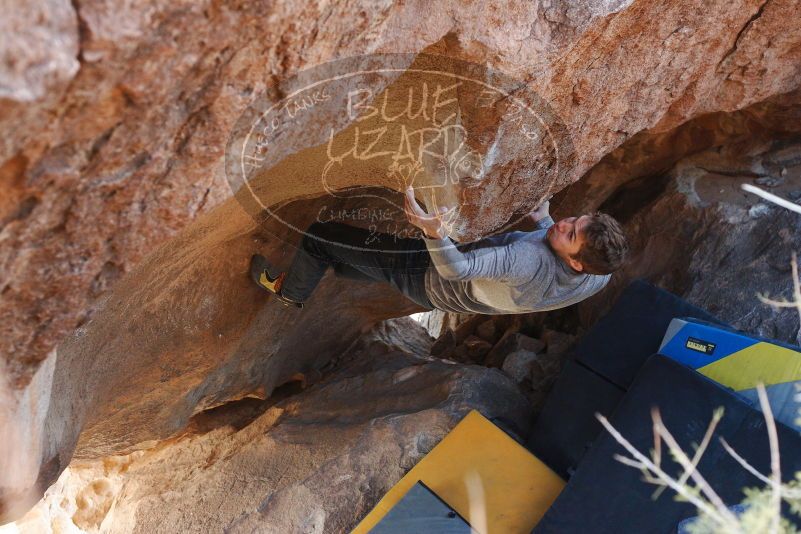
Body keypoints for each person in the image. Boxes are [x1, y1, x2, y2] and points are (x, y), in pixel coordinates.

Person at [249, 187, 629, 313]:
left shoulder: (525, 260)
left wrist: (433, 232)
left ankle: (289, 292)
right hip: (455, 297)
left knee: (319, 236)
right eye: (575, 221)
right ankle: (338, 263)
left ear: (576, 263)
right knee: (375, 259)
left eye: (570, 236)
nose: (564, 225)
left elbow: (456, 268)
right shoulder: (600, 273)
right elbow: (561, 246)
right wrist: (545, 222)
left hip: (431, 277)